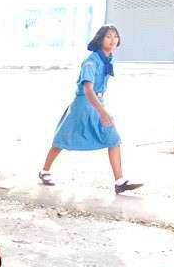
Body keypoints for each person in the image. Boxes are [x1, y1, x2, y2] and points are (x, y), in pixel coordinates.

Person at [39, 25, 143, 195]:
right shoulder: (91, 62)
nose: (113, 40)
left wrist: (102, 109)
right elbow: (88, 90)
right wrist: (103, 112)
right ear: (100, 39)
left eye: (115, 36)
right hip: (82, 105)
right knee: (62, 140)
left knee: (113, 139)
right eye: (108, 36)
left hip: (97, 103)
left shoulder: (108, 59)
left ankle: (119, 182)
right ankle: (44, 171)